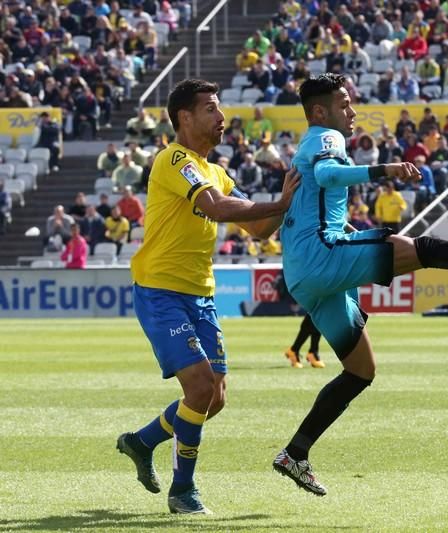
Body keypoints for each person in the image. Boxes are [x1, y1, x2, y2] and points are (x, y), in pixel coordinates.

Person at [271, 74, 448, 496]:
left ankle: (295, 453)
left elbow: (311, 200)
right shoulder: (325, 140)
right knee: (427, 250)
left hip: (304, 272)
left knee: (360, 370)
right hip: (322, 256)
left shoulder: (307, 145)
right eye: (345, 104)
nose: (352, 112)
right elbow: (330, 175)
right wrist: (383, 169)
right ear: (320, 111)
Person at [116, 79, 300, 515]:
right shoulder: (174, 159)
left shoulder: (216, 171)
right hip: (161, 290)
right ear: (185, 117)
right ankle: (183, 492)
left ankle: (142, 442)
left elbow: (257, 228)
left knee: (214, 398)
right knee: (198, 388)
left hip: (201, 294)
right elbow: (217, 208)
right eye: (212, 109)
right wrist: (279, 201)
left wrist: (295, 200)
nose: (222, 119)